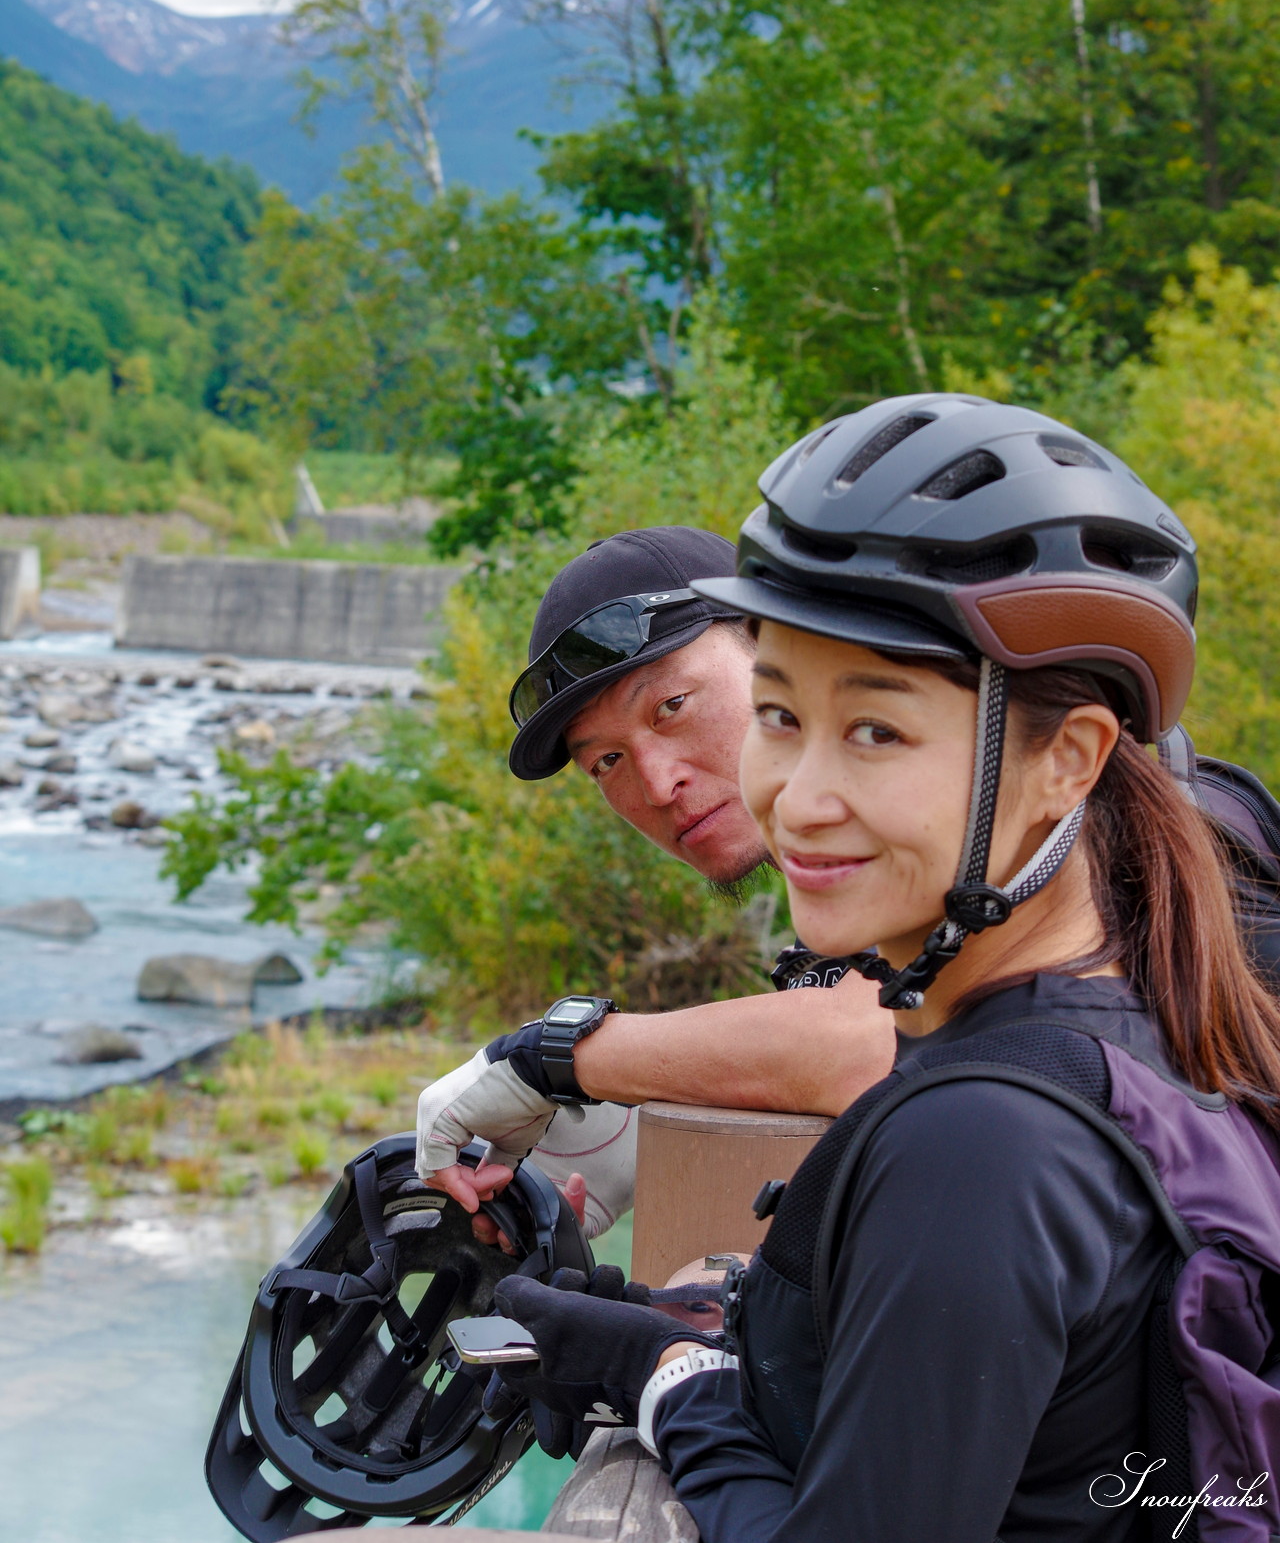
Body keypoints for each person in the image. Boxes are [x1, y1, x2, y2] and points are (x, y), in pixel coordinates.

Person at [480, 394, 1280, 1540]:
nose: (796, 798)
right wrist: (695, 1333)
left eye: (875, 730)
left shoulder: (981, 1142)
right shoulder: (1107, 1004)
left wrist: (680, 1392)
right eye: (778, 714)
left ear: (1068, 759)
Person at [416, 526, 893, 1237]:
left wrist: (557, 1057)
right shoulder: (833, 881)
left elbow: (878, 1041)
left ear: (775, 646)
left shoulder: (944, 799)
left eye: (672, 705)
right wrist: (651, 1130)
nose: (658, 783)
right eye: (606, 760)